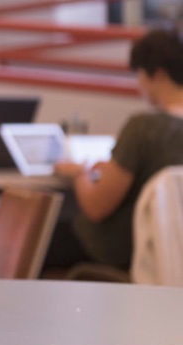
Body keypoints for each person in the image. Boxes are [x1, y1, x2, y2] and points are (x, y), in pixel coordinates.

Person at [48, 28, 183, 271]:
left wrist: (80, 173)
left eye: (141, 74)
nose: (139, 83)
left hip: (125, 249)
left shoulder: (144, 128)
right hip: (172, 252)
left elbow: (96, 208)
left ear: (158, 74)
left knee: (36, 236)